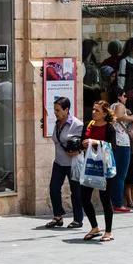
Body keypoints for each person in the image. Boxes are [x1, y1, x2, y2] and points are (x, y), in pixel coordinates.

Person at [45, 97, 85, 228]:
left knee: (76, 192)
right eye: (54, 110)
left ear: (66, 109)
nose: (55, 113)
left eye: (58, 110)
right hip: (59, 162)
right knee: (54, 188)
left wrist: (77, 151)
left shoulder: (77, 125)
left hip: (73, 163)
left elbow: (85, 143)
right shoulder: (57, 123)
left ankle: (78, 219)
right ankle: (58, 217)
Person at [81, 100, 117, 242]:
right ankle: (94, 227)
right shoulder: (88, 125)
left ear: (104, 113)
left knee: (105, 198)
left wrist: (96, 142)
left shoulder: (109, 128)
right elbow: (82, 140)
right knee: (84, 196)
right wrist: (84, 143)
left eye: (97, 110)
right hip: (89, 165)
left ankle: (108, 231)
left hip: (104, 167)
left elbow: (112, 146)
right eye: (93, 109)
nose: (93, 112)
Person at [109, 88, 133, 212]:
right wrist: (131, 118)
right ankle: (118, 203)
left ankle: (113, 201)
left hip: (115, 142)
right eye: (124, 96)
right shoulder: (119, 105)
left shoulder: (113, 105)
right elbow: (118, 116)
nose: (126, 98)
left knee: (115, 174)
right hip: (122, 142)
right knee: (121, 175)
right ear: (119, 96)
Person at [82, 39, 102, 123]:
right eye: (94, 47)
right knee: (89, 116)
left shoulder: (93, 62)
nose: (96, 49)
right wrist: (91, 87)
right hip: (88, 94)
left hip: (96, 94)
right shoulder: (83, 64)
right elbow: (79, 82)